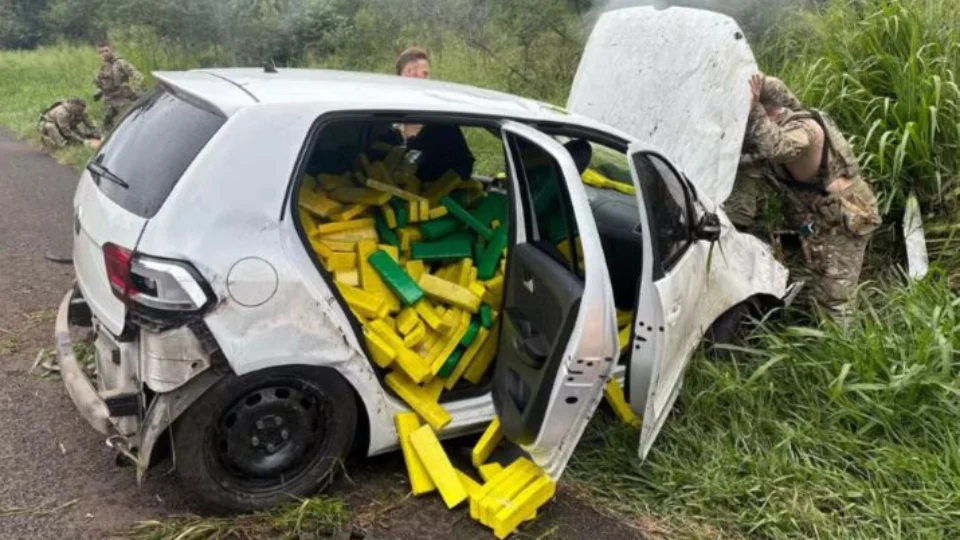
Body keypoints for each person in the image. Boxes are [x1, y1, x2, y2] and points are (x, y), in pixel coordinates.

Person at [746, 72, 882, 318]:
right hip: (825, 218)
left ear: (771, 113)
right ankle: (834, 333)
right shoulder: (788, 119)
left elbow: (774, 147)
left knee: (835, 299)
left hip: (846, 216)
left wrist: (753, 108)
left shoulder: (804, 128)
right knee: (824, 282)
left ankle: (845, 350)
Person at [726, 75, 802, 230]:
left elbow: (798, 115)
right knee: (738, 214)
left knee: (797, 203)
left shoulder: (769, 86)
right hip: (747, 155)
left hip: (777, 144)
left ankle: (803, 231)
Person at [93, 42, 145, 131]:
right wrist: (99, 90)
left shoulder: (120, 63)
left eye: (106, 51)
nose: (104, 54)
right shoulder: (103, 66)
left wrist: (135, 90)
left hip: (122, 99)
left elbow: (137, 76)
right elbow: (100, 82)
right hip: (109, 100)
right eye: (101, 52)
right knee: (106, 125)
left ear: (112, 51)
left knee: (128, 123)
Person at [395, 47, 430, 141]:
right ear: (398, 78)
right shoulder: (382, 113)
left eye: (425, 74)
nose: (420, 79)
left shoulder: (439, 117)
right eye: (413, 74)